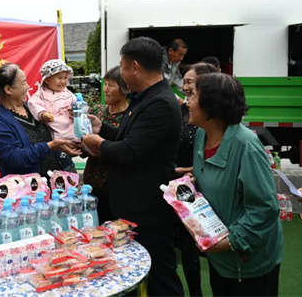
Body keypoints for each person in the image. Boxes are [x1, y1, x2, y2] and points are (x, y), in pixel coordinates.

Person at [83, 37, 184, 296]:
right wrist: (103, 129)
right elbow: (131, 139)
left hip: (148, 209)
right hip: (134, 207)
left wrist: (99, 143)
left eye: (122, 66)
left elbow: (129, 151)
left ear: (135, 67)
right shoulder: (145, 98)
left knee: (160, 277)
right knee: (137, 273)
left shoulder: (160, 103)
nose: (121, 73)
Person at [189, 73, 283, 296]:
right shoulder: (202, 135)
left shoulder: (246, 146)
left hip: (248, 261)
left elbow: (265, 209)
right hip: (219, 257)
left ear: (212, 106)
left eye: (193, 96)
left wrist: (231, 242)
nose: (187, 102)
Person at [0, 63, 81, 178]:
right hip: (29, 186)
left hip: (59, 178)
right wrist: (50, 146)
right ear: (8, 89)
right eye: (23, 83)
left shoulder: (34, 108)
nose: (28, 86)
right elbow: (14, 158)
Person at [173, 62, 218, 297]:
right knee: (188, 246)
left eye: (190, 81)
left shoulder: (215, 116)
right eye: (184, 81)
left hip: (208, 187)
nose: (185, 86)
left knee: (214, 244)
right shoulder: (183, 110)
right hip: (184, 188)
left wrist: (199, 171)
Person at [82, 66, 130, 223]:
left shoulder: (130, 116)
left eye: (111, 85)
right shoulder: (97, 111)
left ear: (125, 89)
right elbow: (85, 140)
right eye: (105, 84)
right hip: (91, 182)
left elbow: (128, 148)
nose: (106, 89)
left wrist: (102, 148)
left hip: (116, 185)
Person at [27, 59, 77, 172]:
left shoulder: (68, 93)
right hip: (56, 129)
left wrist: (75, 110)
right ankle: (68, 169)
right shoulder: (42, 93)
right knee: (62, 154)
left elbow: (77, 103)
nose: (63, 81)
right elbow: (33, 103)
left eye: (65, 78)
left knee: (79, 139)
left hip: (70, 126)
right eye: (59, 78)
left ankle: (78, 148)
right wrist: (42, 113)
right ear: (47, 79)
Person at [162, 38, 188, 105]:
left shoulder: (175, 61)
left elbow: (177, 79)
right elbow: (160, 87)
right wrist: (178, 99)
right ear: (171, 51)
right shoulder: (158, 60)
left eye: (183, 55)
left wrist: (188, 91)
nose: (181, 58)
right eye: (180, 54)